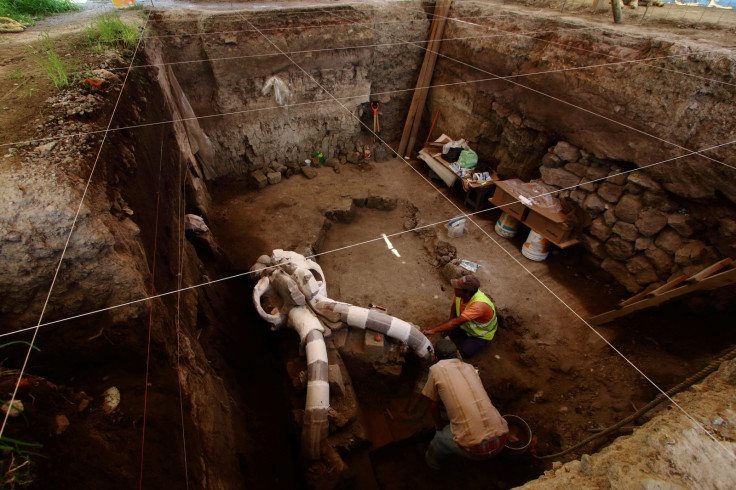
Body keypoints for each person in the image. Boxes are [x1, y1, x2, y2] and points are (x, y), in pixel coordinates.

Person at [422, 339, 508, 470]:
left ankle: (432, 465)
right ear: (457, 354)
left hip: (475, 448)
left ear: (435, 357)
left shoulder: (436, 370)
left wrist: (439, 428)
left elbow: (433, 404)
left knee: (439, 440)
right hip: (502, 438)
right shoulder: (470, 368)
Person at [423, 274, 497, 359]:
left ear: (467, 293)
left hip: (480, 334)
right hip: (466, 325)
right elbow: (454, 305)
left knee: (463, 352)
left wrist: (433, 330)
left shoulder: (479, 305)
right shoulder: (461, 294)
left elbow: (455, 323)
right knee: (446, 331)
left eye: (458, 287)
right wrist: (450, 320)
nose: (455, 288)